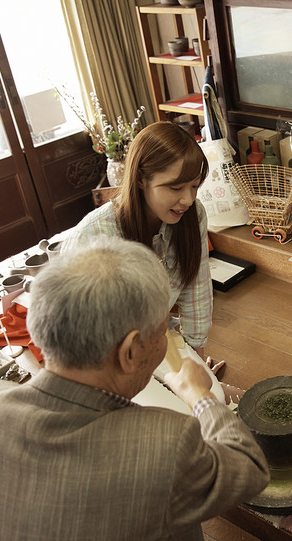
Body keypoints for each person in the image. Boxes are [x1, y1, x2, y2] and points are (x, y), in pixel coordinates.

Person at [0, 237, 292, 541]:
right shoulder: (162, 443)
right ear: (129, 352)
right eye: (163, 332)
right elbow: (248, 470)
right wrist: (199, 396)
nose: (167, 341)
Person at [62, 120, 226, 375]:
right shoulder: (96, 236)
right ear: (140, 179)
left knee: (208, 394)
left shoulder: (193, 215)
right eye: (175, 187)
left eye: (194, 186)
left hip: (153, 336)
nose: (188, 199)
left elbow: (197, 287)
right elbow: (89, 330)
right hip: (103, 352)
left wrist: (196, 360)